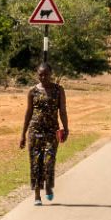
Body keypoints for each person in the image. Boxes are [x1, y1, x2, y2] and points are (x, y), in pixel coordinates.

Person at [19, 64, 69, 205]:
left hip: (52, 131)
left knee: (49, 161)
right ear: (37, 75)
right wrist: (23, 134)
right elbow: (28, 113)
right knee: (35, 163)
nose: (43, 77)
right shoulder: (32, 91)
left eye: (46, 74)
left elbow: (63, 111)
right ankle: (36, 196)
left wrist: (66, 128)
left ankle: (48, 187)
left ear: (51, 74)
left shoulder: (58, 90)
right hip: (34, 131)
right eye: (40, 74)